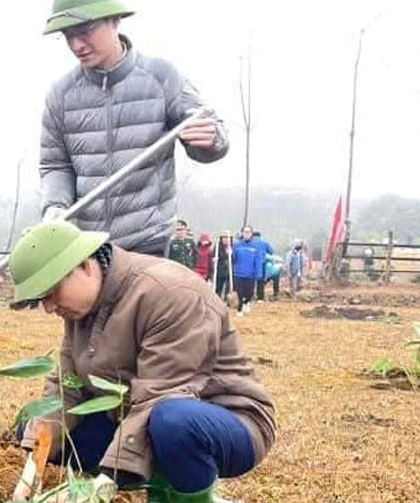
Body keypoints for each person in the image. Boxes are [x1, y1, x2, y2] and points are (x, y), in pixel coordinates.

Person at [8, 221, 275, 503]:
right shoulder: (81, 311)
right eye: (41, 299)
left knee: (171, 420)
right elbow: (65, 389)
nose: (48, 307)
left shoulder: (169, 293)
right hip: (140, 420)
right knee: (39, 428)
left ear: (86, 265)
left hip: (224, 421)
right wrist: (35, 460)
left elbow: (160, 394)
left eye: (51, 293)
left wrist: (102, 484)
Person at [39, 0, 228, 256]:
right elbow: (55, 165)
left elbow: (211, 131)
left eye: (85, 31)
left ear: (114, 20)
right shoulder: (61, 95)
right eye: (68, 36)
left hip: (151, 243)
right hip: (90, 248)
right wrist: (54, 206)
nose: (77, 45)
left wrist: (210, 140)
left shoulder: (162, 76)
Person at [232, 227, 263, 316]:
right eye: (245, 232)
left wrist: (258, 273)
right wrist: (230, 253)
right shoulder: (237, 246)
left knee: (249, 292)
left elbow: (258, 260)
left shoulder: (255, 247)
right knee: (239, 292)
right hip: (239, 273)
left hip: (250, 274)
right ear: (242, 233)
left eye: (248, 232)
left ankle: (246, 302)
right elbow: (233, 259)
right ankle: (240, 309)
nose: (246, 234)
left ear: (251, 234)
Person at [252, 231, 274, 302]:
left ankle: (250, 297)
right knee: (261, 281)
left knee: (250, 281)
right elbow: (271, 251)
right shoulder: (264, 243)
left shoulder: (249, 242)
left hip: (251, 264)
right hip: (261, 263)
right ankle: (260, 298)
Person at [214, 230, 234, 302]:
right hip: (220, 270)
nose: (225, 240)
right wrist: (214, 260)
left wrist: (231, 254)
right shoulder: (217, 247)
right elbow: (214, 256)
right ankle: (217, 300)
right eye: (224, 238)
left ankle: (227, 300)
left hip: (230, 271)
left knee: (228, 287)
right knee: (219, 286)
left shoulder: (233, 247)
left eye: (227, 238)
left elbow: (235, 259)